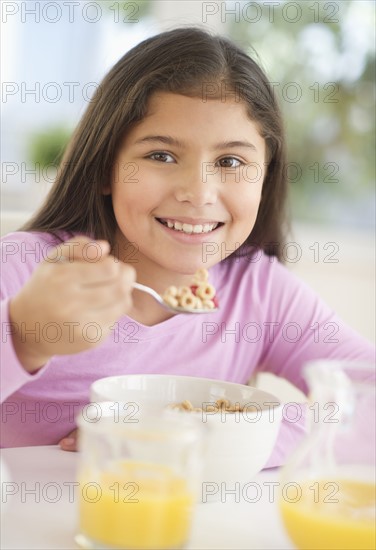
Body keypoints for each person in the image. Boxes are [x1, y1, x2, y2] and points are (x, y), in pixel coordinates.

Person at [1, 28, 374, 461]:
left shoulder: (257, 292)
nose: (198, 192)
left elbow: (365, 397)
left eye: (230, 162)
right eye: (161, 156)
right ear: (105, 168)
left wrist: (206, 436)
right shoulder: (26, 268)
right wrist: (24, 335)